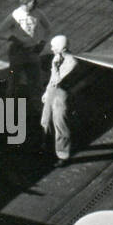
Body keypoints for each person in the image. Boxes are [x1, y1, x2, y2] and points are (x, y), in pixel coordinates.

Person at [41, 34, 79, 165]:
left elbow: (58, 80)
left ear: (61, 48)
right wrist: (47, 91)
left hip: (62, 94)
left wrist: (55, 67)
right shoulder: (58, 57)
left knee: (60, 124)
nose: (51, 49)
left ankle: (63, 155)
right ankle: (46, 147)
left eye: (53, 47)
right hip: (53, 91)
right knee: (45, 121)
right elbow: (52, 79)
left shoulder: (72, 62)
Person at [7, 0, 50, 101]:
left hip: (32, 51)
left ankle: (37, 103)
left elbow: (48, 27)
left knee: (36, 79)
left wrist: (42, 42)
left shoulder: (38, 13)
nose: (36, 4)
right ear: (26, 2)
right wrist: (14, 38)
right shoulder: (15, 15)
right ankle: (10, 103)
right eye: (33, 2)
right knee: (14, 79)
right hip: (18, 51)